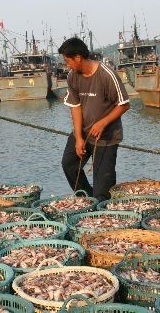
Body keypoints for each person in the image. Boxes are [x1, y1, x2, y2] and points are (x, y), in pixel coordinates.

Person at [58, 37, 130, 202]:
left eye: (67, 60)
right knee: (69, 164)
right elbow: (75, 107)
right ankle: (87, 199)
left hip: (106, 138)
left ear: (78, 58)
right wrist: (78, 138)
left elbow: (124, 105)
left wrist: (103, 122)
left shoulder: (106, 74)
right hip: (84, 132)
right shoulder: (72, 76)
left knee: (103, 187)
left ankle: (100, 203)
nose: (66, 64)